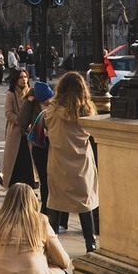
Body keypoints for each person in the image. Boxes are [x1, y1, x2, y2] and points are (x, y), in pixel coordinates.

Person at [42, 70, 100, 250]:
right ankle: (90, 242)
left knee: (56, 202)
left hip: (58, 161)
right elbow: (92, 132)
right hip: (81, 162)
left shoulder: (51, 110)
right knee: (85, 203)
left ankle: (52, 243)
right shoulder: (87, 110)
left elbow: (47, 129)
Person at [0, 67, 31, 185]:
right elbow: (8, 113)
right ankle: (13, 185)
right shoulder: (11, 94)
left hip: (29, 131)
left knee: (29, 161)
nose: (24, 80)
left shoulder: (31, 93)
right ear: (15, 80)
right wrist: (21, 121)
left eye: (25, 77)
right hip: (15, 131)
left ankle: (29, 185)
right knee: (15, 160)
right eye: (20, 77)